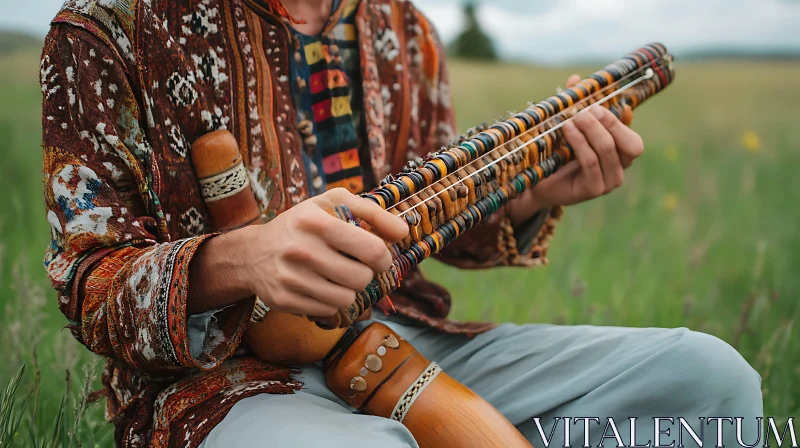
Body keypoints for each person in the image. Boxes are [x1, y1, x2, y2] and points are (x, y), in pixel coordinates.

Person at [39, 0, 763, 447]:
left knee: (709, 380)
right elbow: (88, 286)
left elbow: (433, 231)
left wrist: (532, 195)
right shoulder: (105, 30)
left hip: (404, 341)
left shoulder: (403, 26)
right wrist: (240, 260)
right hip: (218, 387)